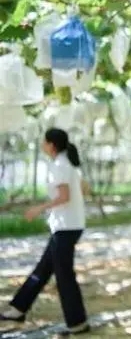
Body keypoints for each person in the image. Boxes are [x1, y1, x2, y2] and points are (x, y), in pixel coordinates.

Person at [0, 128, 90, 335]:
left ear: (51, 145)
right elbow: (81, 190)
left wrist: (38, 209)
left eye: (44, 142)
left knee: (64, 275)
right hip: (67, 225)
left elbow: (64, 196)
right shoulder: (67, 164)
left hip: (66, 227)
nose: (42, 145)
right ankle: (18, 308)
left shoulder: (60, 165)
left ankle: (78, 322)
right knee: (42, 271)